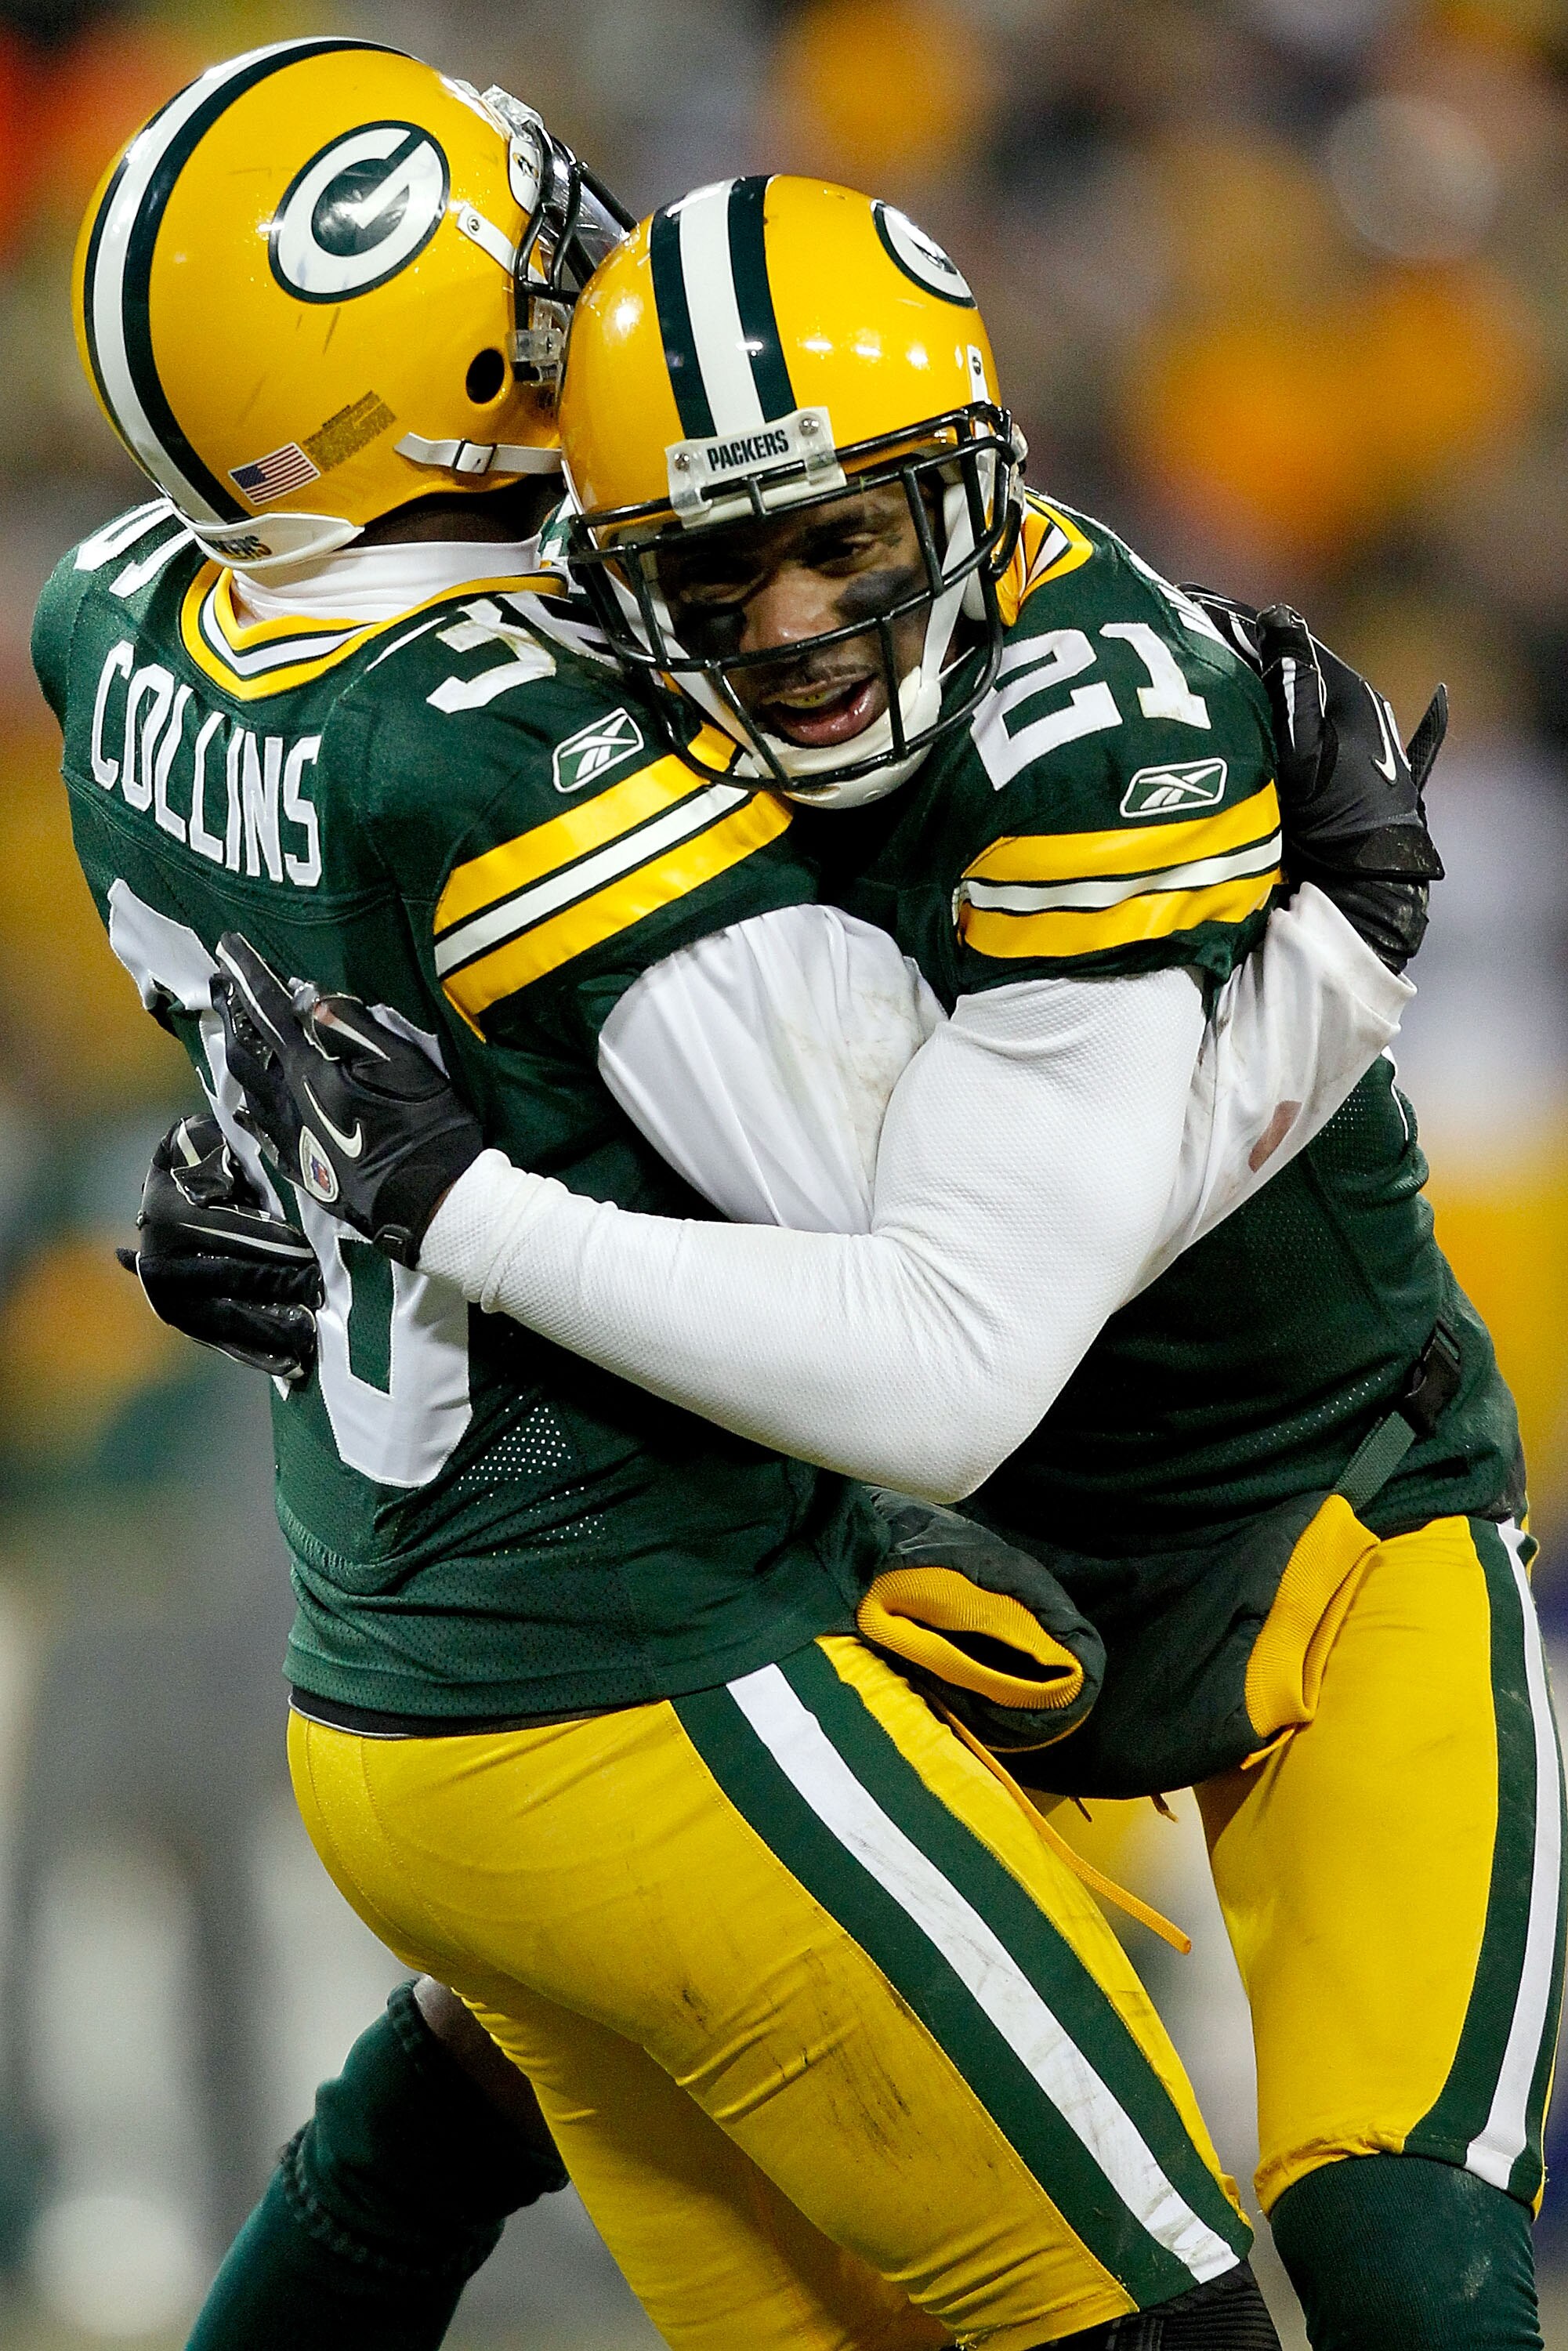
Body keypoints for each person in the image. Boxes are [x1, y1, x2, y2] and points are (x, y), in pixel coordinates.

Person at [45, 56, 1414, 2347]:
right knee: (1159, 2313)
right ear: (435, 380)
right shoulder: (514, 741)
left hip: (395, 1653)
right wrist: (1324, 987)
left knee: (432, 2134)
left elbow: (321, 967)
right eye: (524, 276)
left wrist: (278, 1174)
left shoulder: (117, 612)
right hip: (648, 1650)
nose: (584, 278)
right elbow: (959, 1320)